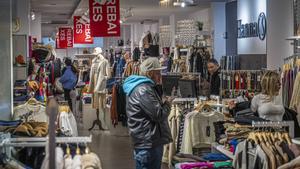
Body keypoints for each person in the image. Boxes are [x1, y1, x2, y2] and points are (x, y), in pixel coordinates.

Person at [123, 57, 173, 169]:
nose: (160, 75)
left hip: (146, 140)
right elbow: (158, 115)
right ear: (150, 73)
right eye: (158, 73)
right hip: (148, 143)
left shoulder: (143, 88)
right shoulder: (144, 90)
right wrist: (168, 103)